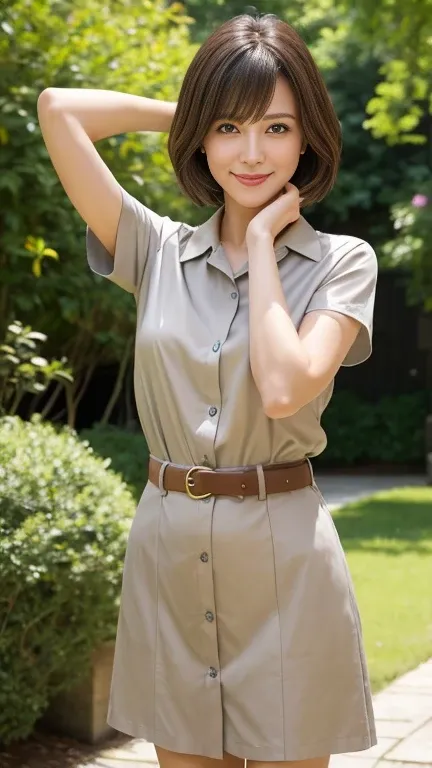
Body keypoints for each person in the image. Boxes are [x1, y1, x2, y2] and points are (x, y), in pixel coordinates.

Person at [37, 12, 378, 768]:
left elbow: (286, 386)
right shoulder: (156, 250)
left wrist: (261, 245)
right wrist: (196, 111)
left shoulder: (342, 262)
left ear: (308, 138)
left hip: (285, 565)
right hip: (167, 553)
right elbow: (60, 109)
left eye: (278, 128)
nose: (253, 152)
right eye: (230, 128)